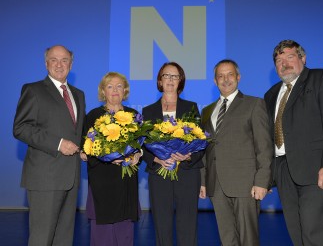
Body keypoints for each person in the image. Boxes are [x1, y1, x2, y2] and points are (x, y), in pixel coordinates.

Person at [264, 39, 323, 245]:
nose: (283, 63)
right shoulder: (271, 94)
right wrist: (267, 177)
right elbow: (267, 137)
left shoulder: (322, 78)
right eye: (278, 60)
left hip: (316, 170)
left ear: (303, 58)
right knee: (297, 232)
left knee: (316, 233)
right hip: (283, 171)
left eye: (289, 56)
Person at [13, 45, 86, 245]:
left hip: (71, 178)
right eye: (54, 59)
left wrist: (86, 148)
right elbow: (20, 128)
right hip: (44, 178)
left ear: (71, 64)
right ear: (46, 64)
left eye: (64, 60)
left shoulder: (78, 94)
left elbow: (76, 132)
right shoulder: (33, 90)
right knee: (41, 238)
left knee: (64, 238)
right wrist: (58, 144)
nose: (59, 64)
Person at [200, 59, 272, 246]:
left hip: (246, 184)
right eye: (220, 76)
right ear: (215, 81)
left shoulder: (254, 104)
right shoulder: (207, 111)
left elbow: (264, 146)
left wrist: (262, 181)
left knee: (248, 239)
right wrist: (203, 180)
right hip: (216, 184)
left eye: (230, 74)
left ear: (238, 77)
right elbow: (204, 149)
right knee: (227, 238)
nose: (225, 79)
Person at [142, 62, 204, 246]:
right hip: (159, 175)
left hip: (187, 173)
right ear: (160, 81)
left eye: (175, 76)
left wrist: (188, 155)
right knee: (162, 225)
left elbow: (201, 141)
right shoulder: (148, 111)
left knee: (188, 225)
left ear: (180, 81)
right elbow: (142, 145)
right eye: (166, 76)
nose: (170, 80)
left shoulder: (191, 107)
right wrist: (156, 158)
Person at [80, 72, 142, 246]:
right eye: (110, 86)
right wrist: (106, 158)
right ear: (103, 91)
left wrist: (138, 155)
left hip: (126, 183)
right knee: (102, 237)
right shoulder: (93, 116)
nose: (115, 90)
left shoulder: (134, 115)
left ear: (125, 91)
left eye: (119, 86)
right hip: (102, 184)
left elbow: (141, 146)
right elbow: (86, 148)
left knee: (125, 236)